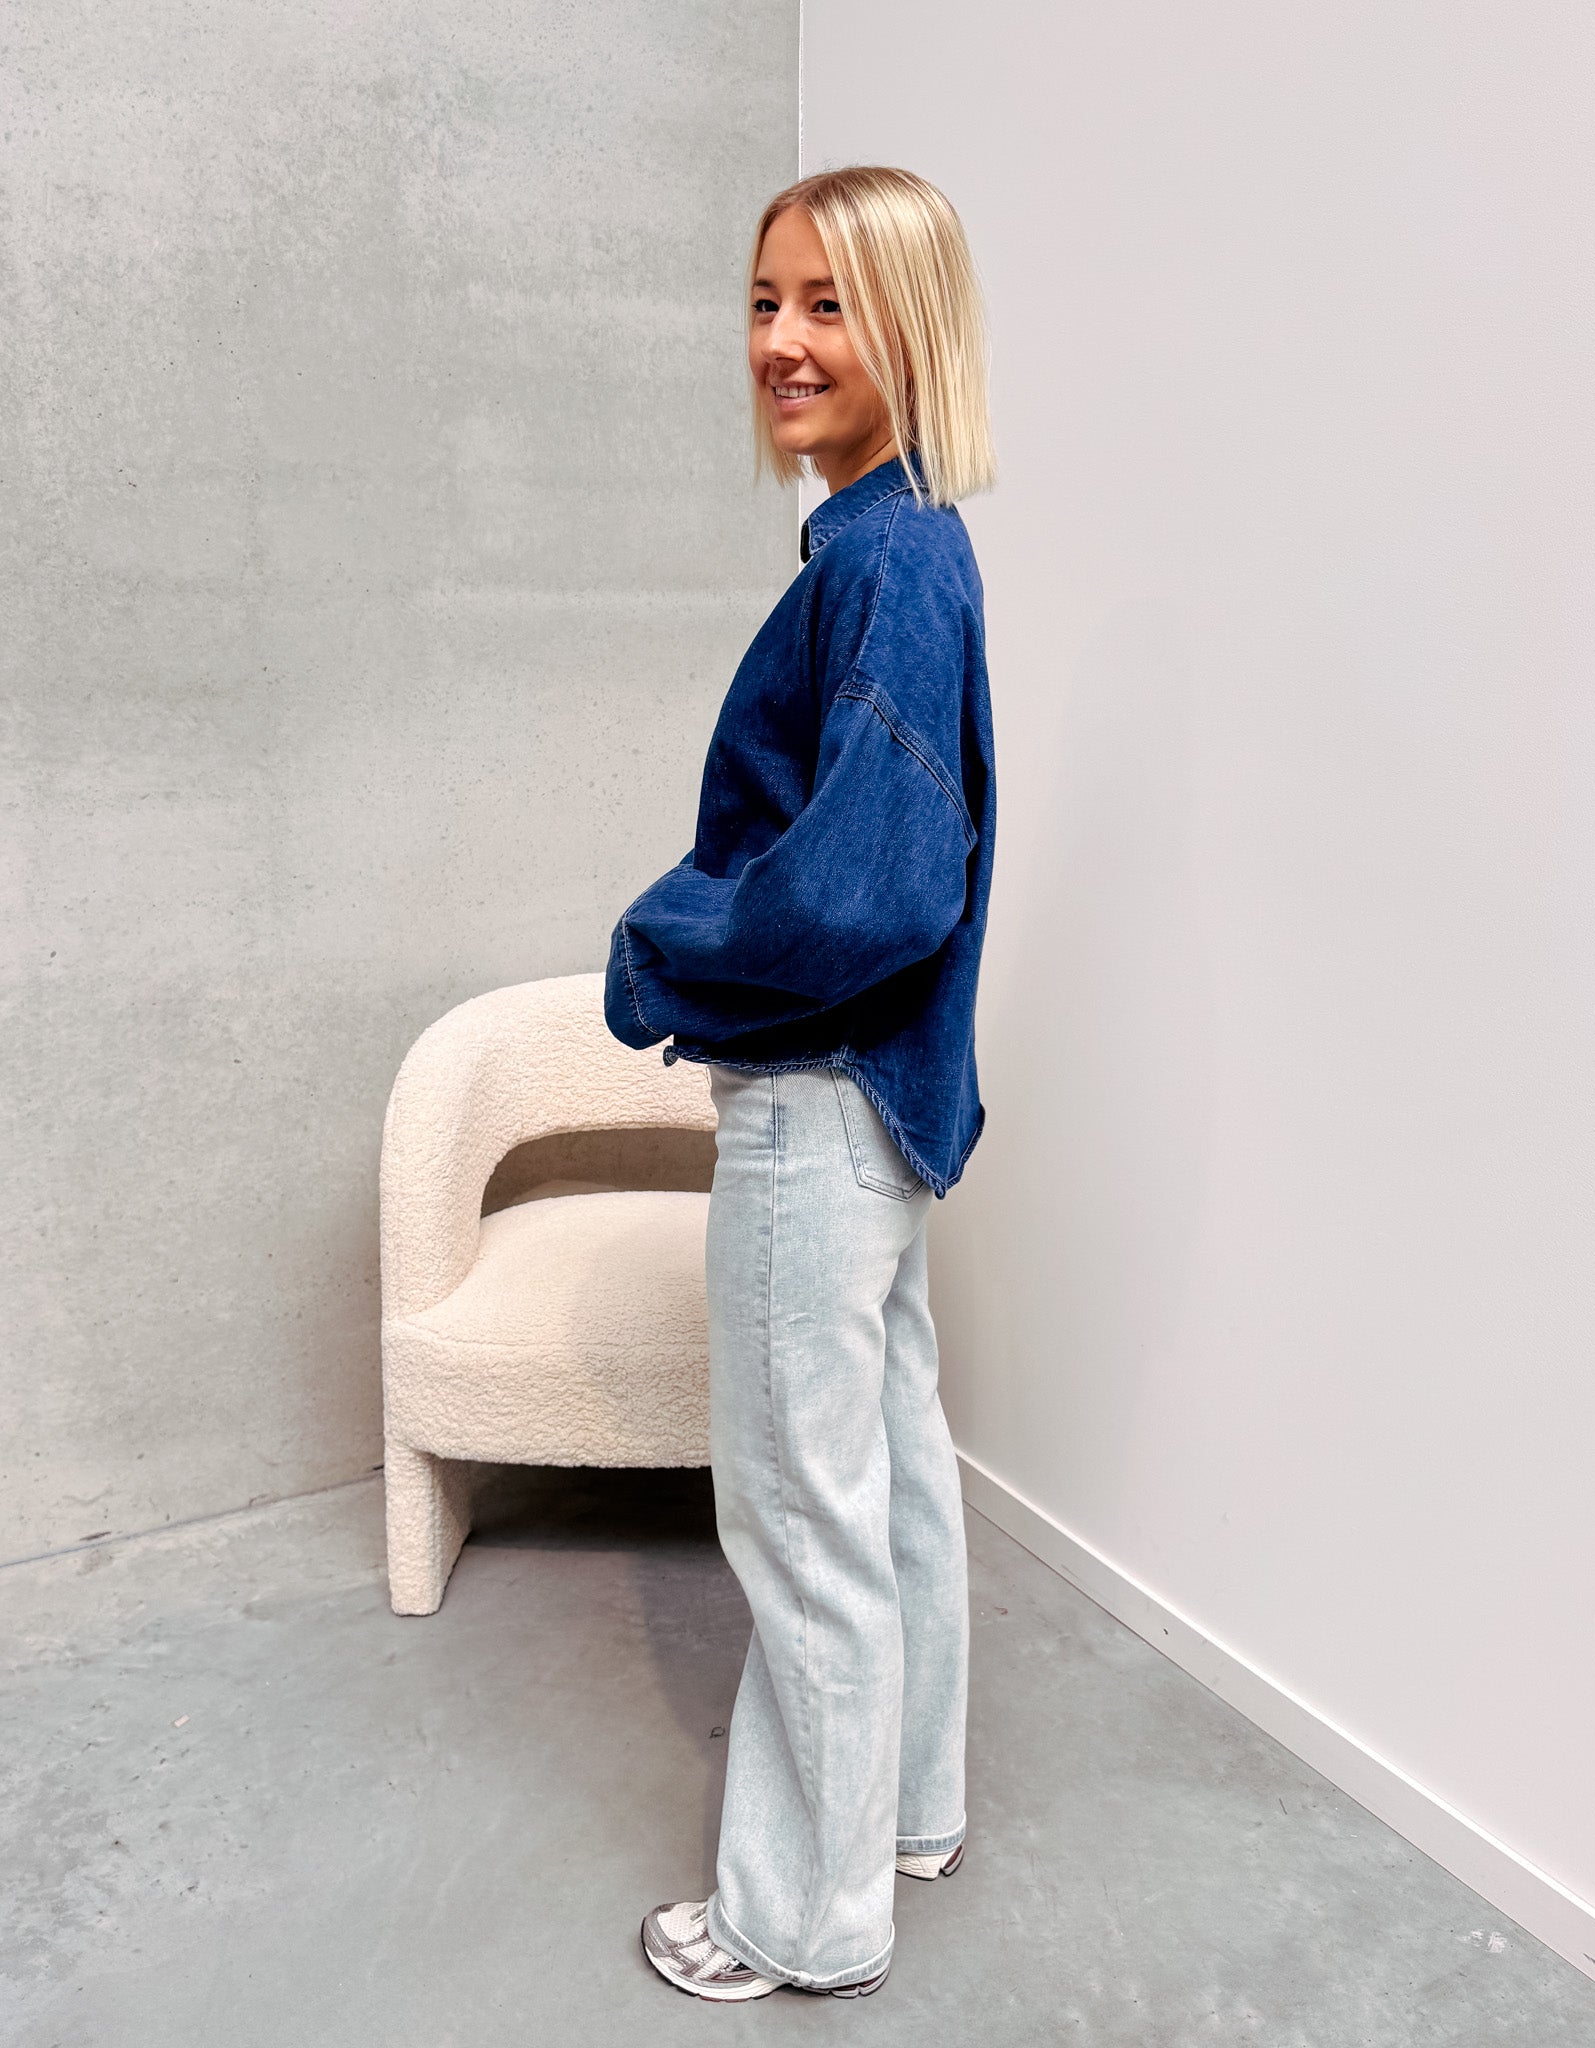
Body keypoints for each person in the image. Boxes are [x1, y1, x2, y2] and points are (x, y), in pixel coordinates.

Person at [604, 164, 997, 2003]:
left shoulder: (881, 562)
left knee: (800, 1514)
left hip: (817, 1106)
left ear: (908, 323)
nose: (778, 342)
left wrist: (660, 946)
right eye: (764, 301)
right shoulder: (902, 545)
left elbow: (867, 886)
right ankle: (907, 1813)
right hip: (886, 1107)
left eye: (827, 304)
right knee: (890, 1479)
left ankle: (799, 1916)